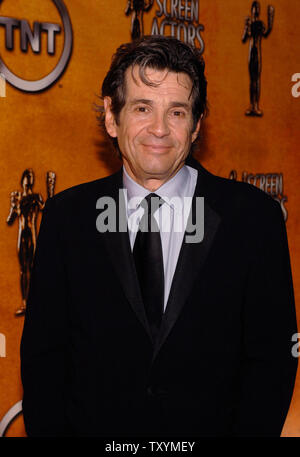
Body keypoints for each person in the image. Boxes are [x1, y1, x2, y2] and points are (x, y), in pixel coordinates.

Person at [20, 35, 297, 437]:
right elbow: (43, 361)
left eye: (178, 112)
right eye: (143, 108)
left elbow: (271, 361)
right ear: (113, 118)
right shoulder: (67, 219)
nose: (160, 129)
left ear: (197, 125)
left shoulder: (253, 219)